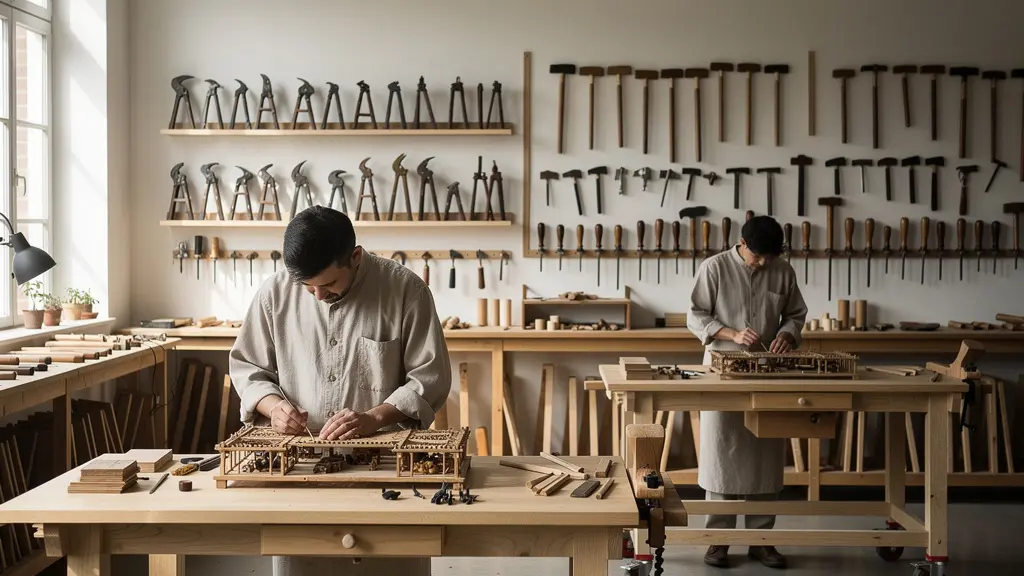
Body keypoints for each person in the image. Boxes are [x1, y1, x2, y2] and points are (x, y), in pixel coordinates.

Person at [229, 205, 451, 576]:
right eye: (308, 287)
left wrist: (374, 417)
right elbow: (248, 368)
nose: (317, 296)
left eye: (329, 285)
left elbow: (429, 378)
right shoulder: (274, 294)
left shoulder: (405, 290)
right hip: (299, 470)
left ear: (355, 257)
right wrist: (273, 408)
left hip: (386, 469)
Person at [687, 215, 808, 570]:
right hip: (722, 372)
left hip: (768, 373)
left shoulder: (782, 271)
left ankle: (762, 541)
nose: (765, 263)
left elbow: (796, 314)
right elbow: (694, 315)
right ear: (742, 244)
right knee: (721, 453)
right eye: (759, 256)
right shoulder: (714, 268)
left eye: (771, 256)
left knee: (765, 456)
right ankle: (718, 541)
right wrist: (731, 333)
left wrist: (788, 333)